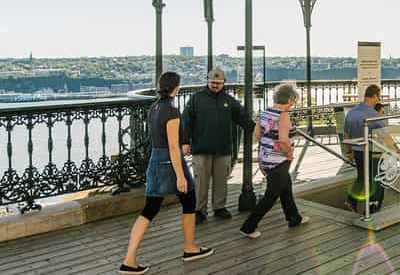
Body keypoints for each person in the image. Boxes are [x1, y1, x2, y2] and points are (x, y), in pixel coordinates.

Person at [119, 72, 213, 274]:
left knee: (149, 210)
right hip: (169, 161)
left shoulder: (154, 107)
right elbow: (172, 146)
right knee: (189, 201)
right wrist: (180, 175)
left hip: (155, 159)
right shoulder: (171, 110)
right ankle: (190, 248)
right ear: (176, 87)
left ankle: (129, 260)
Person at [181, 68, 254, 224]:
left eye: (218, 83)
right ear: (207, 82)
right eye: (212, 82)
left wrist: (257, 128)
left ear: (223, 83)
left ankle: (219, 208)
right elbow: (186, 122)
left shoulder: (229, 100)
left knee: (221, 180)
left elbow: (242, 118)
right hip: (201, 148)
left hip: (223, 148)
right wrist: (185, 142)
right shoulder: (196, 99)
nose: (215, 85)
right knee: (201, 182)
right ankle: (200, 211)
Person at [240, 83, 309, 238]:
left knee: (286, 188)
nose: (293, 104)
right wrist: (289, 155)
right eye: (294, 101)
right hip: (279, 161)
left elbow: (257, 134)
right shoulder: (283, 116)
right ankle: (248, 226)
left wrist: (267, 149)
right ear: (290, 99)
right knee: (271, 196)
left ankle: (294, 218)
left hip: (266, 157)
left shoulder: (264, 112)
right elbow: (284, 140)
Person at [343, 84, 400, 214]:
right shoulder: (373, 115)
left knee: (362, 177)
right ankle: (373, 208)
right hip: (373, 152)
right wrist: (399, 152)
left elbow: (346, 135)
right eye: (378, 97)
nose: (378, 100)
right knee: (378, 180)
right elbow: (386, 138)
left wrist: (349, 151)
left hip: (357, 152)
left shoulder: (351, 113)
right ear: (374, 96)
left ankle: (351, 201)